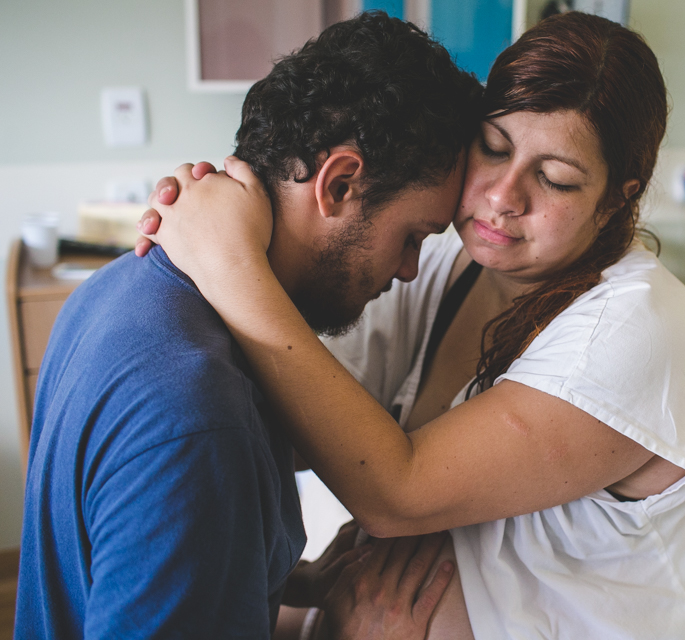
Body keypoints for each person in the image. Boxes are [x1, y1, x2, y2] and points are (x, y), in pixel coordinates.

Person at [142, 12, 685, 639]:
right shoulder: (447, 262)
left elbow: (397, 492)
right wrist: (214, 220)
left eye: (555, 180)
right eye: (494, 148)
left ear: (615, 199)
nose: (502, 196)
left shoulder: (637, 331)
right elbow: (310, 415)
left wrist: (229, 263)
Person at [15, 12, 482, 639]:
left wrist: (281, 577)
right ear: (339, 184)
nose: (407, 270)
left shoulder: (118, 286)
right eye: (412, 235)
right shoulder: (200, 418)